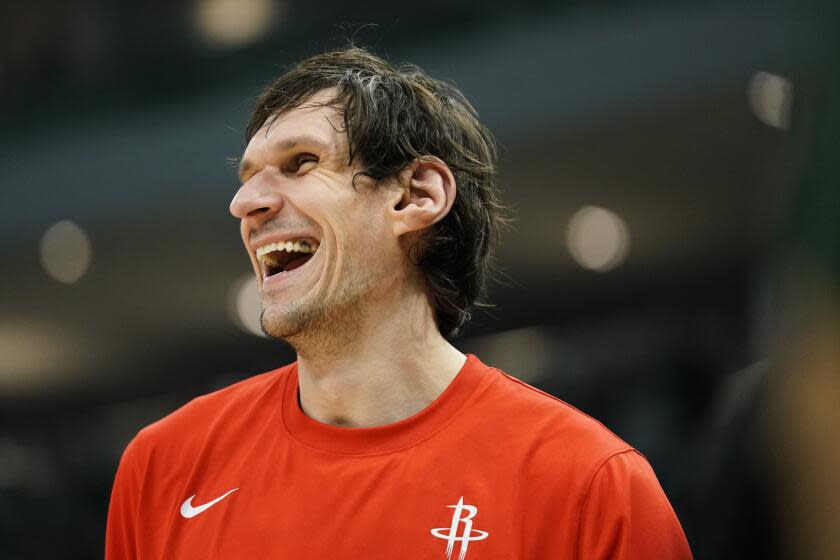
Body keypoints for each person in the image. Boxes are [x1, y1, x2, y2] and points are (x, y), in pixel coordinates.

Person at [105, 46, 693, 559]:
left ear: (416, 195)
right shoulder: (163, 468)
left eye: (300, 163)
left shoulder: (588, 486)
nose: (245, 202)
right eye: (249, 176)